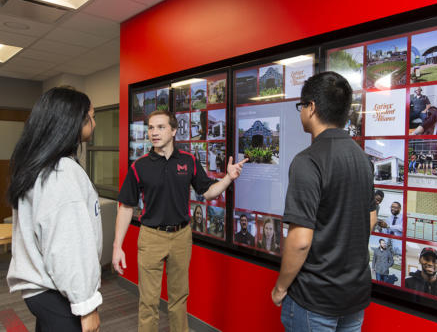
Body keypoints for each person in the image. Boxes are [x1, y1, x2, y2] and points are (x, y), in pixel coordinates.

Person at [112, 110, 247, 332]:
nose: (154, 132)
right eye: (151, 128)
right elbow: (126, 206)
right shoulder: (140, 166)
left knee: (178, 300)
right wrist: (118, 246)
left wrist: (228, 178)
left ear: (174, 131)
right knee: (148, 302)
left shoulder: (189, 161)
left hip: (181, 237)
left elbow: (208, 192)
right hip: (151, 237)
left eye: (160, 127)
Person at [271, 72, 376, 331]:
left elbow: (300, 241)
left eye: (301, 106)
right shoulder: (362, 158)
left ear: (312, 107)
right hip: (354, 295)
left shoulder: (308, 161)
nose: (301, 112)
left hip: (314, 299)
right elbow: (370, 217)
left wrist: (280, 287)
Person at [6, 87, 101, 332]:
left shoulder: (39, 165)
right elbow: (68, 246)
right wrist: (86, 305)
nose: (95, 120)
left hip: (41, 293)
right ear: (73, 120)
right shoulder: (61, 173)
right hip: (58, 293)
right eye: (92, 114)